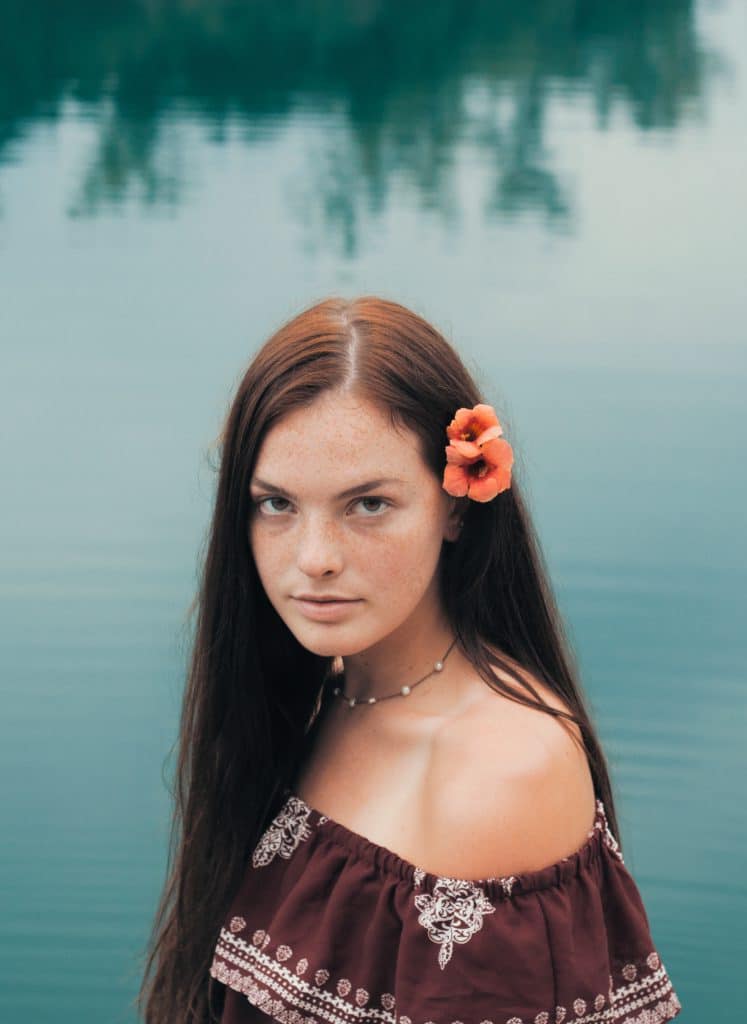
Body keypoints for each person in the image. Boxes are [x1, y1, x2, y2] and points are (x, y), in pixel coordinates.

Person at [136, 296, 683, 1024]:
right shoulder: (323, 687)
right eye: (276, 504)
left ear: (458, 505)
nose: (314, 560)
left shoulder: (502, 773)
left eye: (367, 505)